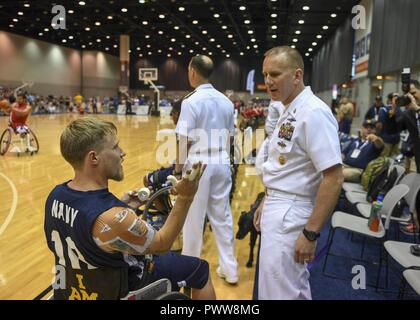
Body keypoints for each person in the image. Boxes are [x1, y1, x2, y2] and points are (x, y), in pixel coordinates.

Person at [44, 117, 216, 300]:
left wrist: (123, 207)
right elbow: (163, 243)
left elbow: (87, 225)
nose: (122, 152)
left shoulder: (55, 195)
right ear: (94, 157)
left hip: (74, 287)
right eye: (115, 147)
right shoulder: (114, 218)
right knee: (201, 269)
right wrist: (186, 197)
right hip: (121, 286)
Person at [253, 46, 343, 300]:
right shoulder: (289, 108)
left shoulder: (313, 113)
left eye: (275, 74)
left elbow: (334, 177)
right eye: (265, 74)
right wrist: (267, 197)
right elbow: (286, 167)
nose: (268, 81)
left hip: (292, 214)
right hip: (279, 205)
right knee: (277, 287)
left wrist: (310, 233)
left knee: (284, 291)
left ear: (297, 75)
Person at [175, 55, 239, 284]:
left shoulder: (191, 101)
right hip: (222, 162)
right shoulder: (226, 101)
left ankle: (189, 270)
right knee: (222, 216)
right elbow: (232, 138)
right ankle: (230, 269)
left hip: (199, 164)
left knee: (193, 219)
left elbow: (184, 140)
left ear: (192, 70)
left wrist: (178, 171)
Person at [397, 79, 420, 174]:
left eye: (414, 93)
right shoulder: (408, 113)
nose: (412, 97)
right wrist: (395, 109)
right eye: (408, 95)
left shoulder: (415, 109)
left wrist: (417, 109)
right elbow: (395, 128)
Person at [377, 93, 401, 157]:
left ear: (388, 100)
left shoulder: (383, 110)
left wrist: (378, 136)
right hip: (396, 138)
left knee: (384, 158)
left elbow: (380, 125)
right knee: (395, 158)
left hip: (386, 139)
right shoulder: (399, 110)